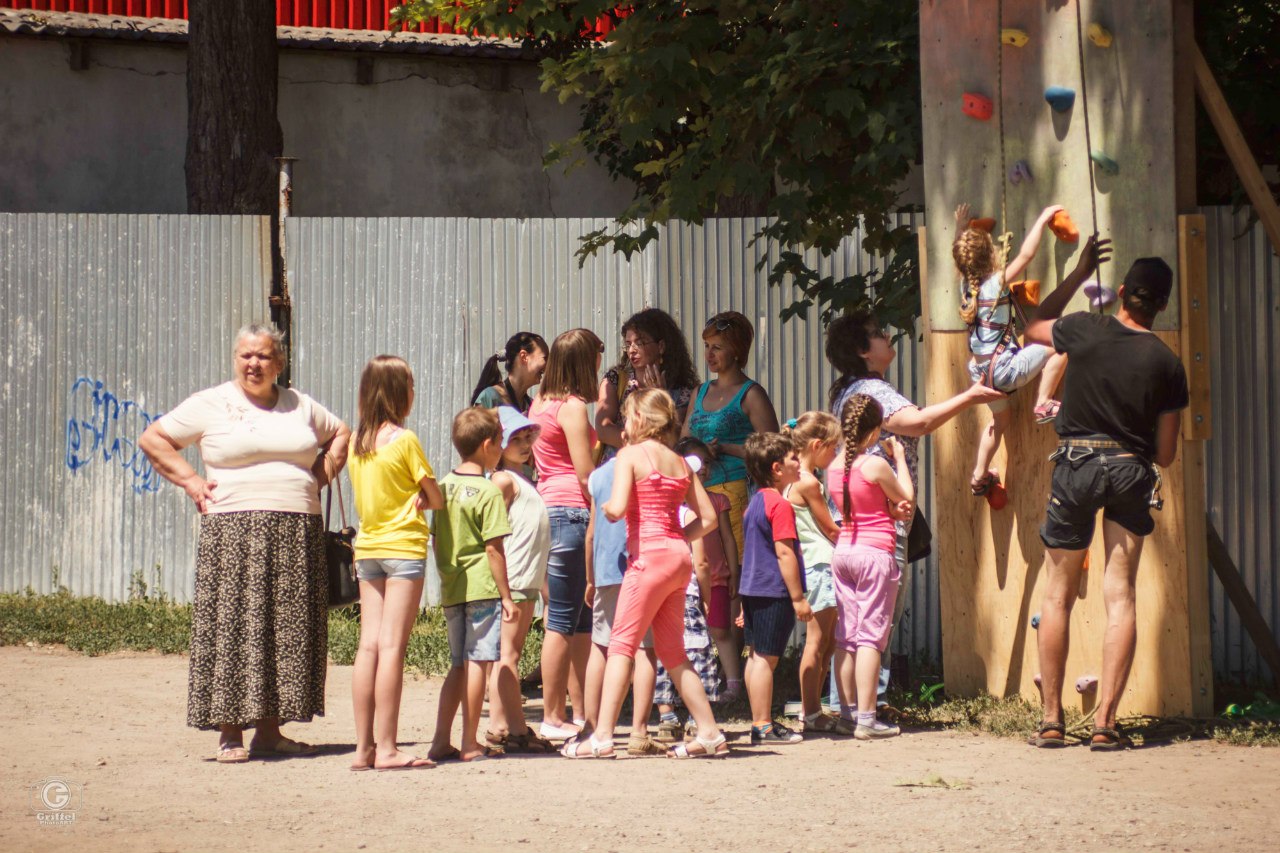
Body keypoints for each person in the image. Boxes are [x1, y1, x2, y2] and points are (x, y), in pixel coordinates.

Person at [139, 322, 350, 764]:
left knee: (283, 629)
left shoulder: (300, 405)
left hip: (296, 533)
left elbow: (341, 433)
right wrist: (194, 483)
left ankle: (270, 733)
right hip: (234, 533)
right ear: (236, 358)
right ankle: (230, 733)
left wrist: (319, 477)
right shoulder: (212, 402)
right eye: (246, 355)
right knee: (235, 627)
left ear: (280, 363)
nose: (254, 363)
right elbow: (153, 439)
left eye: (264, 356)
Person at [1022, 241, 1186, 751]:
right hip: (1130, 470)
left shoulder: (1085, 328)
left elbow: (1034, 324)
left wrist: (1079, 273)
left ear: (1119, 293)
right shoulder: (1167, 363)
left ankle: (1052, 721)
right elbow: (1164, 454)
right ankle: (1105, 725)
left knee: (1058, 594)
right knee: (1121, 596)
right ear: (1161, 305)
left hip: (1075, 465)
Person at [825, 309, 1004, 698]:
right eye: (876, 333)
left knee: (850, 625)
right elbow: (918, 422)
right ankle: (869, 705)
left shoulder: (844, 391)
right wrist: (972, 396)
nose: (887, 335)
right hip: (881, 524)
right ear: (862, 351)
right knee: (877, 622)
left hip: (850, 528)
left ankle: (846, 705)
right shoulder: (875, 392)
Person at [562, 389, 727, 759]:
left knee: (621, 644)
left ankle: (602, 736)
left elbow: (618, 508)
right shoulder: (680, 462)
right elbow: (710, 517)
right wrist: (680, 538)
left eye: (627, 416)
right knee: (672, 652)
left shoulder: (631, 455)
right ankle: (710, 731)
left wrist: (606, 507)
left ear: (638, 420)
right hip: (677, 559)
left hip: (647, 560)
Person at [346, 355, 444, 771]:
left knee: (368, 645)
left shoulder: (356, 441)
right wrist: (426, 497)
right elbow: (435, 496)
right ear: (398, 392)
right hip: (403, 549)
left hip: (367, 550)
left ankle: (363, 748)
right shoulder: (404, 440)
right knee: (392, 647)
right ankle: (387, 748)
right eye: (411, 383)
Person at [953, 202, 1069, 497]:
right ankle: (1043, 402)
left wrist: (961, 228)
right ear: (990, 255)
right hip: (1004, 368)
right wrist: (1042, 217)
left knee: (999, 421)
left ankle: (979, 475)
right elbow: (1026, 255)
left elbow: (961, 255)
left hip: (981, 373)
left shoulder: (966, 287)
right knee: (1061, 347)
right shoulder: (996, 284)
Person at [430, 408, 516, 763]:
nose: (502, 447)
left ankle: (439, 740)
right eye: (500, 441)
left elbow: (436, 540)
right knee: (478, 663)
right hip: (482, 588)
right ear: (487, 445)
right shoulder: (488, 491)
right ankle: (469, 742)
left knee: (457, 665)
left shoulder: (443, 487)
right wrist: (507, 596)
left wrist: (447, 573)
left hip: (453, 588)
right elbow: (494, 549)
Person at [530, 328, 603, 738]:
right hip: (572, 513)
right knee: (561, 620)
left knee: (577, 620)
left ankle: (579, 712)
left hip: (548, 509)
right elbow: (585, 473)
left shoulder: (541, 402)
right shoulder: (573, 408)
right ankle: (553, 714)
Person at [828, 394, 914, 740]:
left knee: (846, 637)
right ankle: (867, 718)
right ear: (876, 430)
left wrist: (890, 511)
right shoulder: (876, 465)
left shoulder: (834, 467)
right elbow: (906, 497)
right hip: (875, 554)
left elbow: (867, 508)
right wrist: (901, 460)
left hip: (844, 552)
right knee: (870, 639)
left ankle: (847, 714)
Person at [484, 407, 557, 755]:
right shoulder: (502, 481)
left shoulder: (522, 479)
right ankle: (513, 726)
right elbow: (490, 533)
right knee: (507, 656)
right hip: (512, 580)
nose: (525, 444)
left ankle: (500, 723)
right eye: (515, 439)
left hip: (526, 580)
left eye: (528, 437)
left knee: (507, 654)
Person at [583, 454, 664, 756]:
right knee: (645, 648)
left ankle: (593, 727)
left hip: (605, 570)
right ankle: (639, 731)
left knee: (601, 645)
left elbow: (591, 535)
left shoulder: (599, 475)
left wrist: (591, 579)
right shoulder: (648, 465)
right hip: (640, 565)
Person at [684, 311, 780, 560]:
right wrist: (699, 451)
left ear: (736, 351)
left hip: (737, 492)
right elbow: (683, 443)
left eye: (717, 347)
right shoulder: (700, 392)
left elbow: (773, 451)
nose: (709, 354)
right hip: (698, 493)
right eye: (706, 346)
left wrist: (726, 448)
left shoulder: (751, 394)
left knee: (734, 566)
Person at [738, 431, 813, 746]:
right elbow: (784, 553)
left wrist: (743, 605)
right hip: (773, 591)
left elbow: (752, 551)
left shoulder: (754, 502)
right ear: (776, 468)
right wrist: (798, 597)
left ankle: (759, 723)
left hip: (752, 589)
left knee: (756, 657)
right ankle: (764, 725)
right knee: (767, 659)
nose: (799, 462)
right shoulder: (780, 506)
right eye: (793, 458)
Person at [782, 412, 847, 734]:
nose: (834, 456)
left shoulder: (790, 479)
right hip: (819, 564)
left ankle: (814, 709)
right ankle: (809, 713)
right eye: (832, 448)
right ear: (817, 445)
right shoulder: (808, 482)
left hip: (813, 564)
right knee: (817, 644)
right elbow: (831, 528)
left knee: (826, 644)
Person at [652, 478, 723, 739]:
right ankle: (696, 718)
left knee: (663, 651)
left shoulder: (652, 515)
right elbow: (701, 562)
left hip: (657, 591)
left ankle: (666, 715)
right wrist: (706, 596)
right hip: (687, 591)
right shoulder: (689, 514)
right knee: (694, 652)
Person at [674, 436, 742, 701]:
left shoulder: (717, 501)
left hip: (717, 578)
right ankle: (693, 684)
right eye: (696, 462)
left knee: (721, 631)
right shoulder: (676, 504)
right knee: (686, 636)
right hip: (686, 581)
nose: (702, 468)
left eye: (706, 463)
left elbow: (728, 538)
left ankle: (733, 683)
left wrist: (734, 572)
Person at [596, 308, 700, 460]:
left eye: (640, 343)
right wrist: (642, 448)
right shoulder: (616, 379)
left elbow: (676, 439)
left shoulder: (684, 392)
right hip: (617, 471)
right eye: (628, 344)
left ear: (661, 346)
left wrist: (662, 400)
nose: (631, 350)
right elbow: (602, 428)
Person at [470, 332, 549, 413]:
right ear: (524, 357)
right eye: (545, 358)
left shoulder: (531, 406)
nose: (548, 365)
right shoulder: (489, 398)